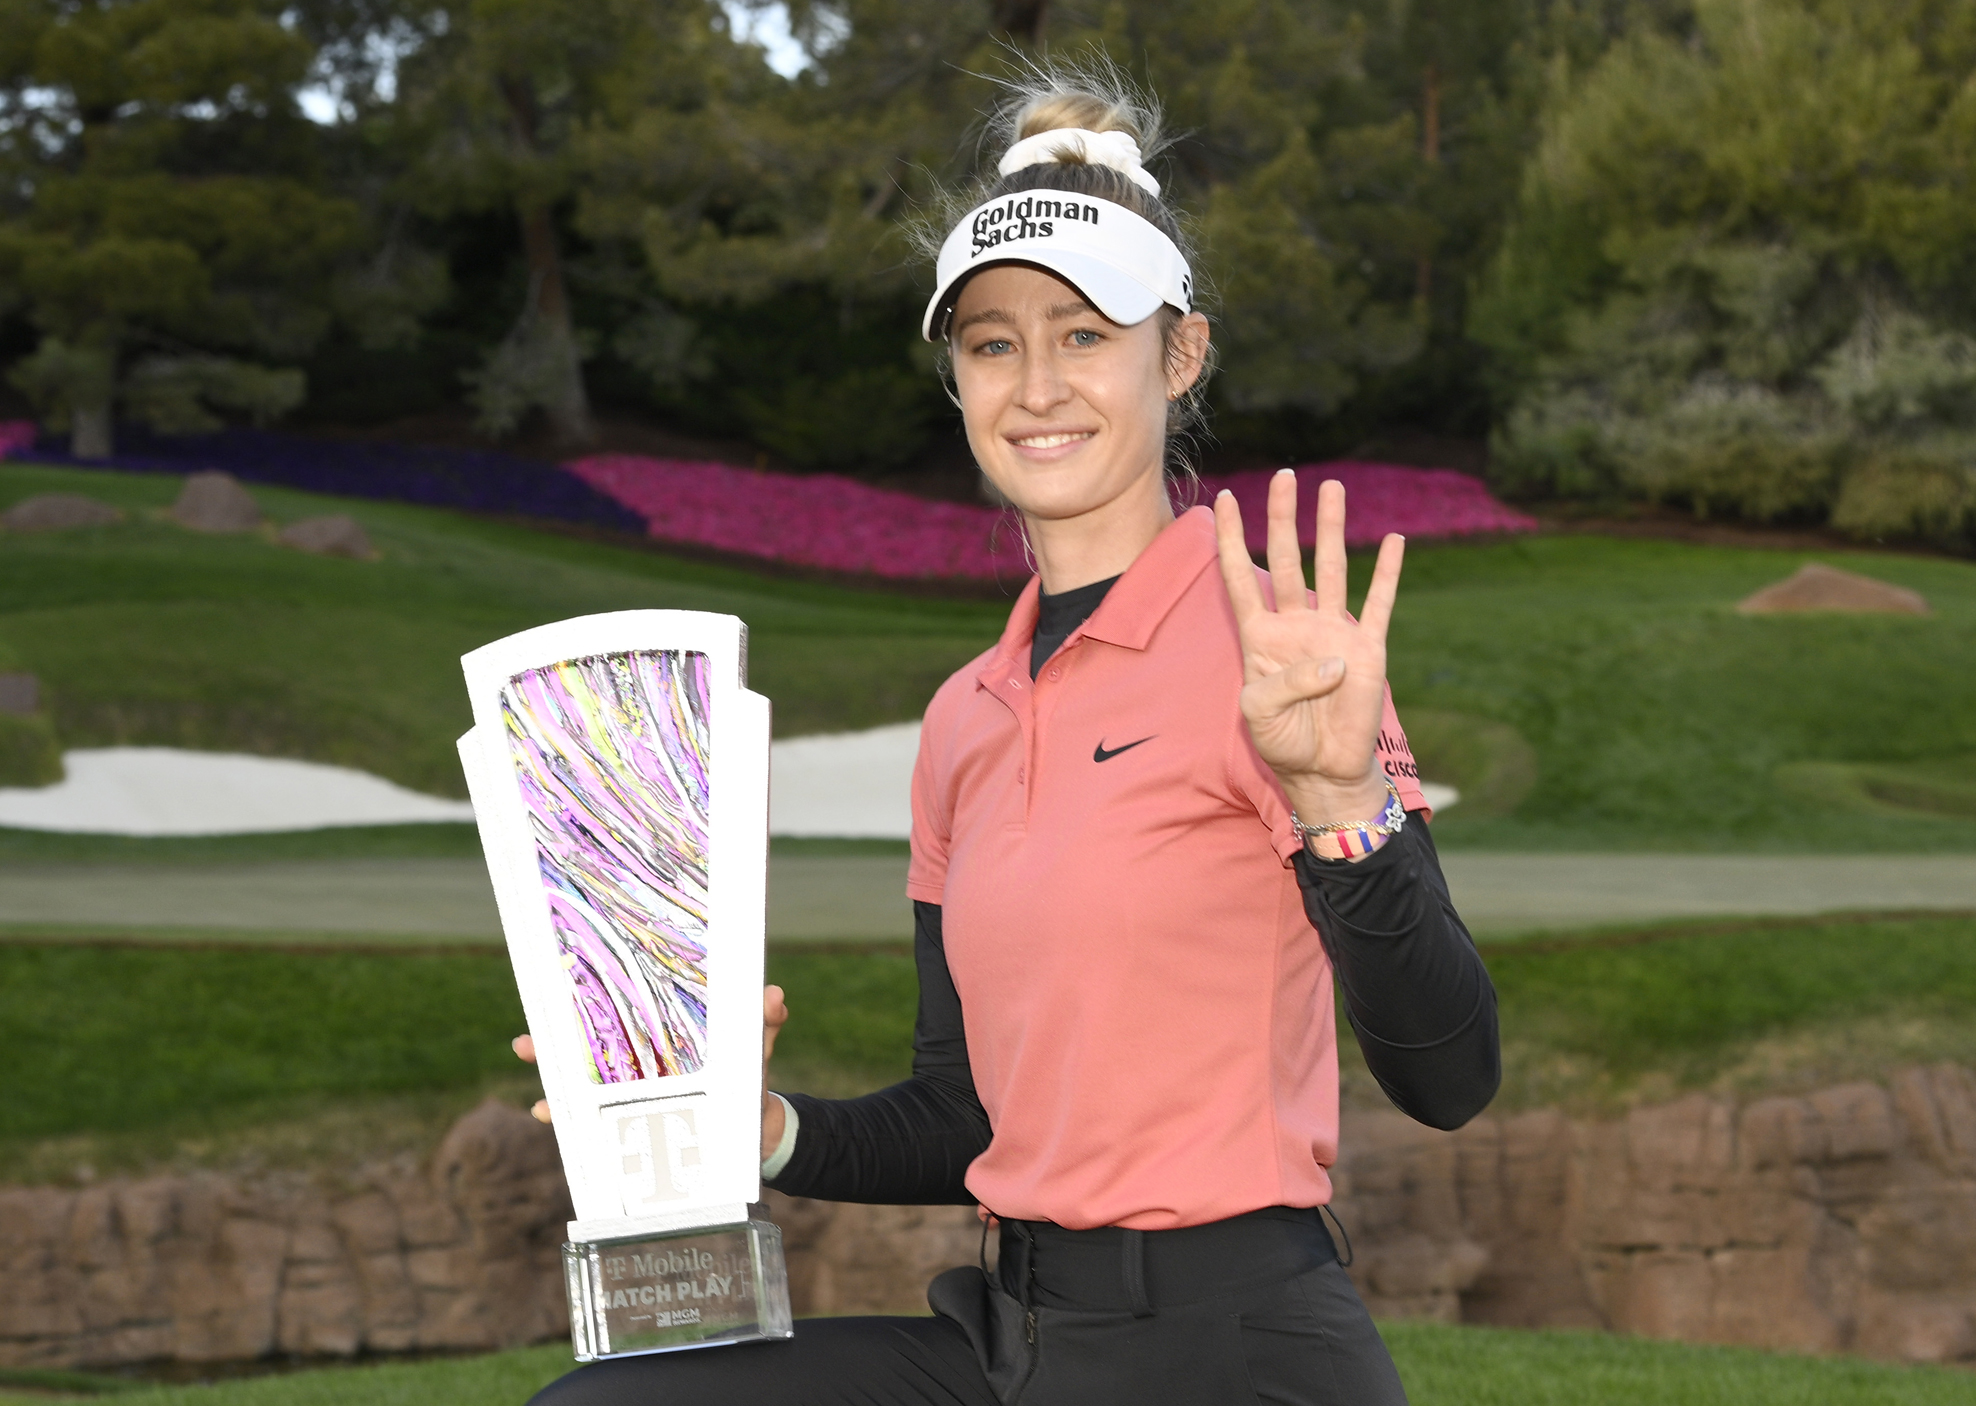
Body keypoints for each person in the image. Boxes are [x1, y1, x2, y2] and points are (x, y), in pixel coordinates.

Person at [524, 63, 1499, 1406]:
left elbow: (1450, 1071)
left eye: (1085, 334)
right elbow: (966, 1113)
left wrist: (1342, 794)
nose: (1037, 385)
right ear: (959, 375)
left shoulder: (1276, 657)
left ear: (1182, 351)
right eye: (994, 342)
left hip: (1236, 1340)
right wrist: (767, 1131)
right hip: (1013, 1338)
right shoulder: (964, 719)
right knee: (610, 1401)